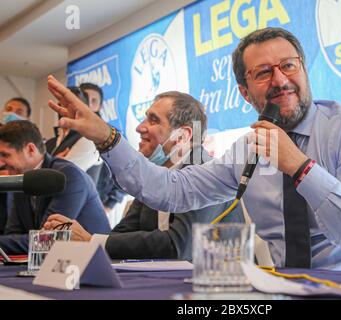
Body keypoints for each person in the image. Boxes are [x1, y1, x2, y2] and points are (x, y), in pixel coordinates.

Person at [47, 27, 341, 273]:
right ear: (245, 93)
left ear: (304, 70)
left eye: (288, 66)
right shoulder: (248, 150)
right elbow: (169, 190)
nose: (279, 80)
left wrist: (301, 168)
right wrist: (106, 136)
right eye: (263, 72)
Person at [43, 91, 243, 260]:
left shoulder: (206, 171)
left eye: (153, 120)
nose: (139, 127)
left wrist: (90, 240)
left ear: (182, 136)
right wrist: (85, 240)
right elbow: (122, 234)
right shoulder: (153, 176)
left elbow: (179, 246)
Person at [0, 121, 110, 254]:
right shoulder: (22, 177)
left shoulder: (68, 176)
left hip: (92, 264)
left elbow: (47, 239)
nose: (1, 162)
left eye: (5, 155)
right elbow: (13, 233)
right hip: (49, 263)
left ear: (30, 149)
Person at [80, 83, 126, 222]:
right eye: (84, 98)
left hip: (97, 208)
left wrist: (108, 206)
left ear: (100, 105)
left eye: (93, 101)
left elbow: (126, 173)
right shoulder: (66, 132)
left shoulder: (110, 135)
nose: (88, 104)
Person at [45, 87, 102, 173]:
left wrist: (49, 163)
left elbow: (62, 174)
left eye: (73, 105)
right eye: (63, 103)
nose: (66, 108)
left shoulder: (89, 140)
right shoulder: (49, 143)